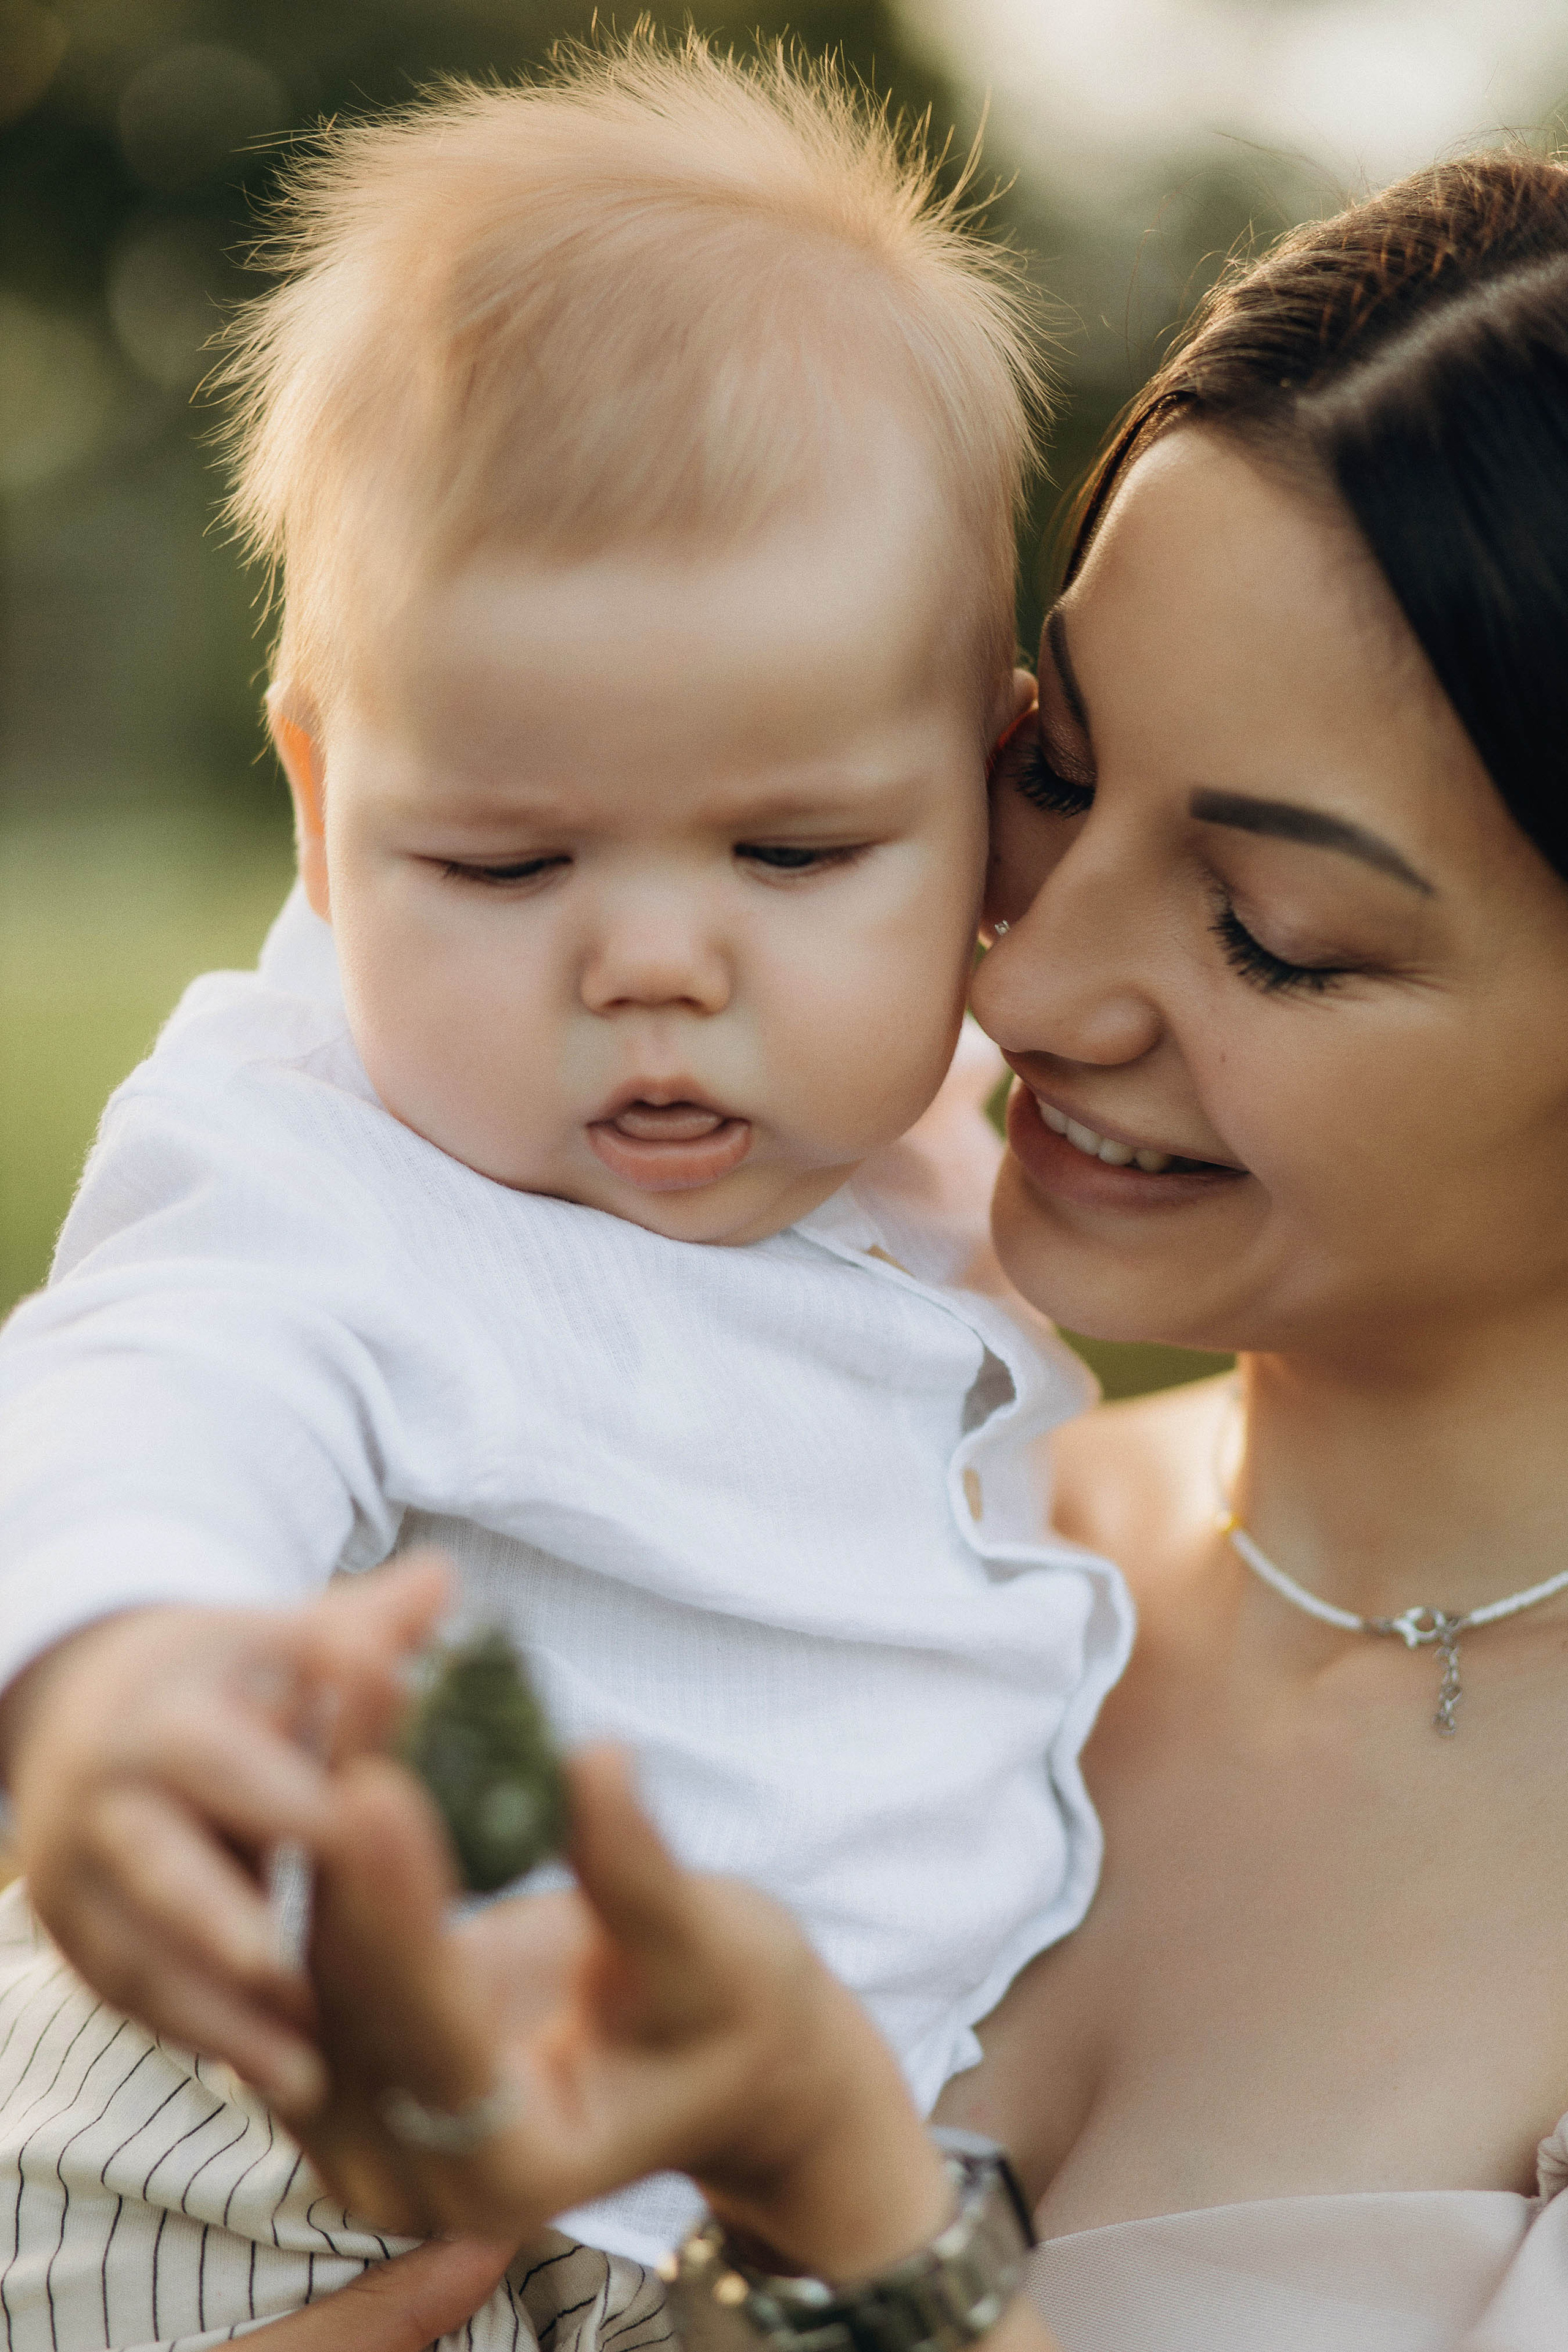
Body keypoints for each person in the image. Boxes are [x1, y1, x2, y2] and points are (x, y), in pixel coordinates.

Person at [241, 149, 1568, 2352]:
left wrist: (857, 2230)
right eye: (1048, 767)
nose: (1029, 989)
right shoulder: (842, 1510)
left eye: (1273, 932)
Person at [0, 31, 1136, 2345]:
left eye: (796, 850)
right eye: (503, 860)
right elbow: (146, 1390)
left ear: (993, 780)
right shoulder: (327, 1154)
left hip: (680, 2219)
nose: (649, 962)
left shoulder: (931, 1196)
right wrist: (117, 1679)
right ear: (323, 810)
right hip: (241, 2170)